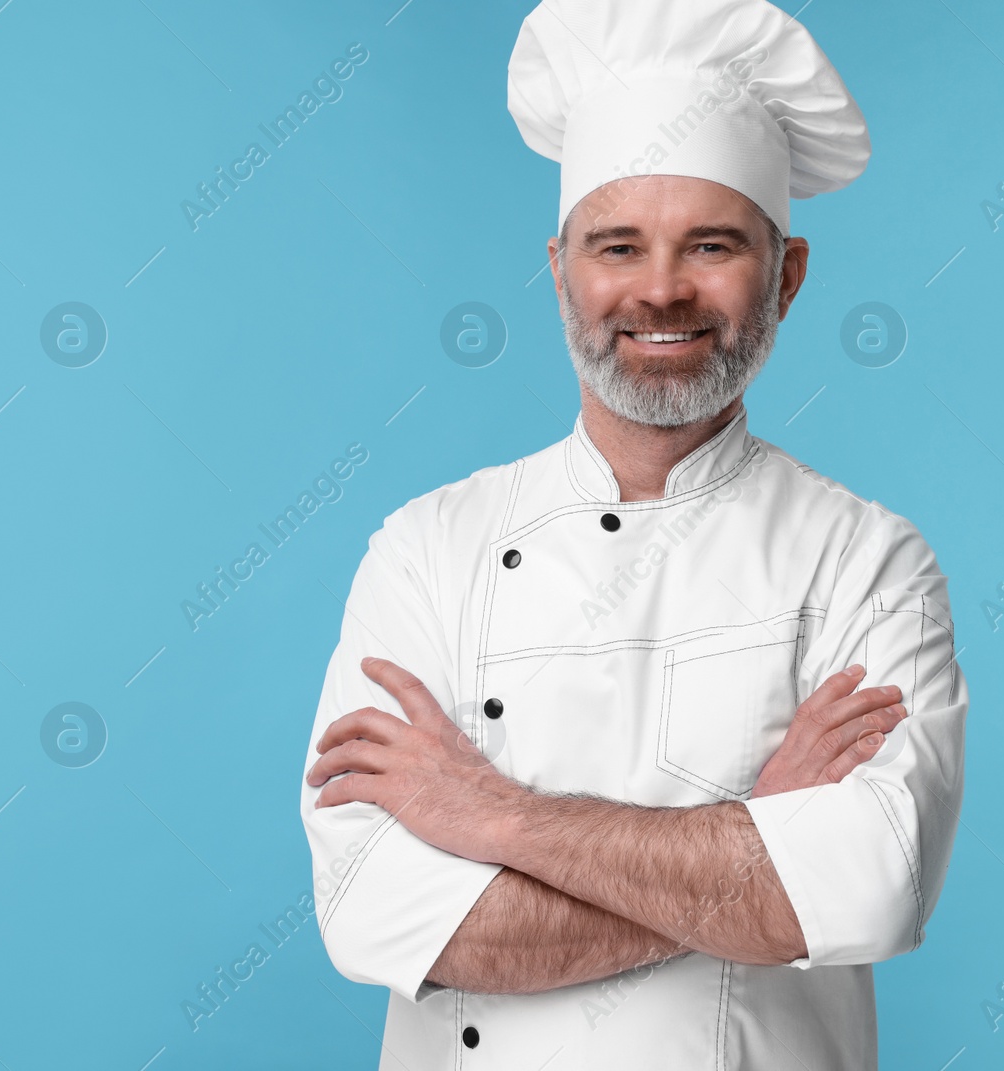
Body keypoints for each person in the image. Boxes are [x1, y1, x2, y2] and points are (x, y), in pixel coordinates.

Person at [299, 0, 968, 1066]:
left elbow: (866, 886)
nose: (661, 290)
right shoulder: (424, 550)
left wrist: (496, 819)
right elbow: (376, 915)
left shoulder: (866, 560)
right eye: (619, 246)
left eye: (710, 245)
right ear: (560, 269)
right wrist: (752, 841)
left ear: (786, 275)